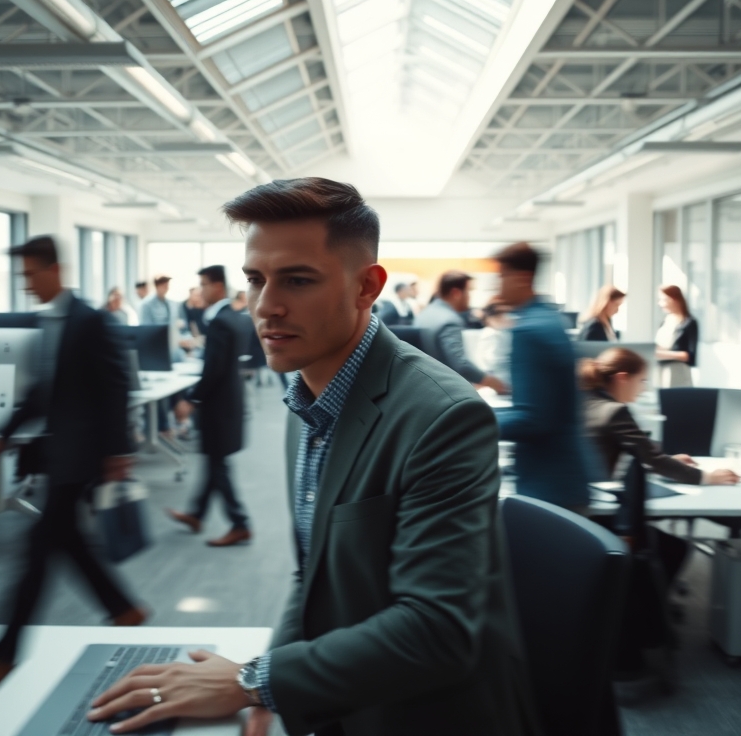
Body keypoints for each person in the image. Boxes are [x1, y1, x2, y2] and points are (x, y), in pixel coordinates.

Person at [87, 178, 537, 736]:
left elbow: (436, 632)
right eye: (256, 280)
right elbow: (315, 573)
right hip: (344, 700)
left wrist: (252, 681)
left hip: (425, 715)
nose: (266, 306)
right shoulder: (308, 399)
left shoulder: (442, 417)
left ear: (365, 287)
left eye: (298, 280)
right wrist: (268, 687)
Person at [0, 236, 146, 699]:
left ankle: (0, 659)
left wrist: (117, 451)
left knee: (35, 555)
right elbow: (40, 392)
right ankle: (123, 609)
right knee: (68, 542)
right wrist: (0, 438)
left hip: (82, 457)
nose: (25, 283)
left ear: (55, 270)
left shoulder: (90, 321)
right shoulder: (47, 322)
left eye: (31, 274)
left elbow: (115, 387)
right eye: (22, 275)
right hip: (61, 454)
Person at [493, 244, 600, 513]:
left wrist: (468, 420)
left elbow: (532, 419)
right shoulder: (550, 318)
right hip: (566, 475)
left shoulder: (528, 330)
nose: (498, 286)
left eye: (501, 277)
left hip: (548, 483)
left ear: (521, 278)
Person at [167, 265, 253, 547]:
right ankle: (197, 514)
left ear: (217, 287)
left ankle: (240, 522)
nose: (200, 290)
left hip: (218, 406)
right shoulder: (235, 317)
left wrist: (190, 400)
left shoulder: (219, 322)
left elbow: (213, 369)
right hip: (229, 402)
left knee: (218, 465)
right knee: (215, 462)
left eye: (203, 284)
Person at [583, 347, 739, 488]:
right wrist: (708, 477)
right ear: (622, 378)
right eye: (641, 380)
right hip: (598, 505)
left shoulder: (587, 402)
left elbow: (645, 457)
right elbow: (652, 459)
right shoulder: (614, 412)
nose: (643, 388)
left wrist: (669, 462)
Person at [416, 270, 509, 395]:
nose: (470, 296)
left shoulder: (425, 314)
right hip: (443, 391)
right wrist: (493, 382)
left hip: (423, 386)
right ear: (456, 293)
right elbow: (460, 364)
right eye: (469, 291)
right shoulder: (449, 320)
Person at [654, 285, 698, 388]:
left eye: (663, 300)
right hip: (661, 371)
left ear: (673, 299)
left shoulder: (689, 323)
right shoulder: (665, 321)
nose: (660, 304)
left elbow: (690, 356)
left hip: (678, 374)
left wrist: (661, 354)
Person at [478, 299, 514, 387]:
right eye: (500, 316)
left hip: (502, 373)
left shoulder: (503, 332)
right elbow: (490, 359)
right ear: (489, 319)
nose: (505, 318)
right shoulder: (490, 333)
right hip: (495, 375)